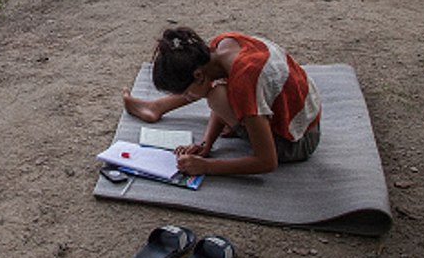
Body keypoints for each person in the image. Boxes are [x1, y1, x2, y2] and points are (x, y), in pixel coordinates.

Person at [122, 27, 321, 176]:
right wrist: (206, 144)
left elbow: (267, 162)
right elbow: (220, 85)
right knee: (217, 92)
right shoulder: (221, 44)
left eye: (188, 94)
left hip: (299, 140)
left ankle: (159, 107)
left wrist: (206, 167)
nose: (189, 98)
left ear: (199, 75)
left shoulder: (245, 80)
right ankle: (158, 107)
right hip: (299, 115)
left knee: (216, 96)